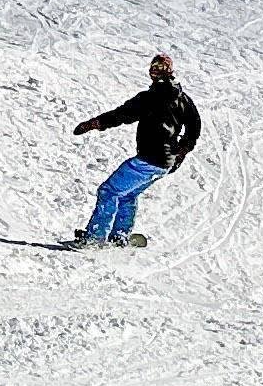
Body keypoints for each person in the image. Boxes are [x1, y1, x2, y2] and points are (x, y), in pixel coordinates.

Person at [71, 52, 201, 246]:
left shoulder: (150, 98)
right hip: (165, 163)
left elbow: (121, 114)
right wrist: (180, 153)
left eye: (155, 70)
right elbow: (195, 127)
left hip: (149, 159)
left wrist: (94, 123)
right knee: (128, 194)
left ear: (153, 74)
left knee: (109, 191)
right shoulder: (183, 99)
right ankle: (119, 235)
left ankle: (94, 238)